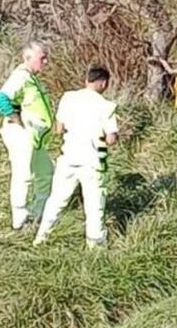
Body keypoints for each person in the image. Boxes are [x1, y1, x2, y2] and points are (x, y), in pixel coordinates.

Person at [33, 65, 119, 248]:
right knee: (94, 204)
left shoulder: (68, 98)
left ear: (87, 79)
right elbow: (111, 139)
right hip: (93, 161)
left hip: (69, 158)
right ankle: (94, 245)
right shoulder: (106, 106)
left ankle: (41, 237)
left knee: (56, 200)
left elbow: (58, 129)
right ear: (103, 83)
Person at [0, 40, 54, 230]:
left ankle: (38, 212)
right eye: (42, 58)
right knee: (23, 174)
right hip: (21, 134)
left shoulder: (31, 78)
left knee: (46, 173)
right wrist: (16, 119)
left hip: (35, 137)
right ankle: (19, 217)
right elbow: (1, 99)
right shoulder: (20, 77)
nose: (45, 62)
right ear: (27, 58)